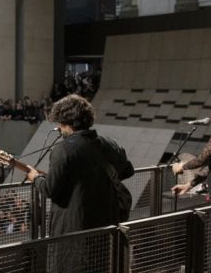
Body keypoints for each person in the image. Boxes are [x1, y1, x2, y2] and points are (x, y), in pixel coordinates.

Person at [25, 94, 133, 236]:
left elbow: (50, 190)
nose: (59, 127)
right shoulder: (109, 144)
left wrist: (35, 178)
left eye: (59, 123)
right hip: (106, 224)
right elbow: (128, 171)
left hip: (74, 229)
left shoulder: (63, 149)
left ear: (65, 121)